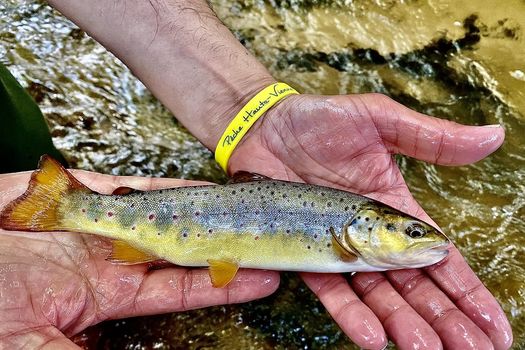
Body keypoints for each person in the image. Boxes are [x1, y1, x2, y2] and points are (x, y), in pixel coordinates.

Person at [0, 0, 513, 349]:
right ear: (366, 228)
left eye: (415, 232)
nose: (425, 239)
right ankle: (63, 204)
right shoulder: (344, 239)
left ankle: (57, 200)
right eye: (412, 232)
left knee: (24, 152)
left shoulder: (350, 234)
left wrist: (248, 104)